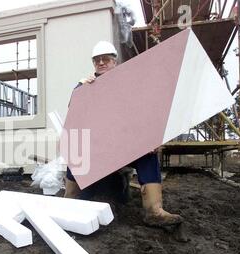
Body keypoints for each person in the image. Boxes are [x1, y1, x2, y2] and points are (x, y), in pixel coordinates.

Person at [64, 41, 183, 227]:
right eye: (97, 60)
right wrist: (80, 91)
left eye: (106, 59)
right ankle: (68, 202)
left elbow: (143, 115)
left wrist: (152, 139)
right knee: (76, 150)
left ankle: (154, 211)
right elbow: (74, 115)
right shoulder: (84, 87)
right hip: (96, 148)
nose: (101, 63)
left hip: (121, 146)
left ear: (115, 62)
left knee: (148, 155)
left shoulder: (128, 87)